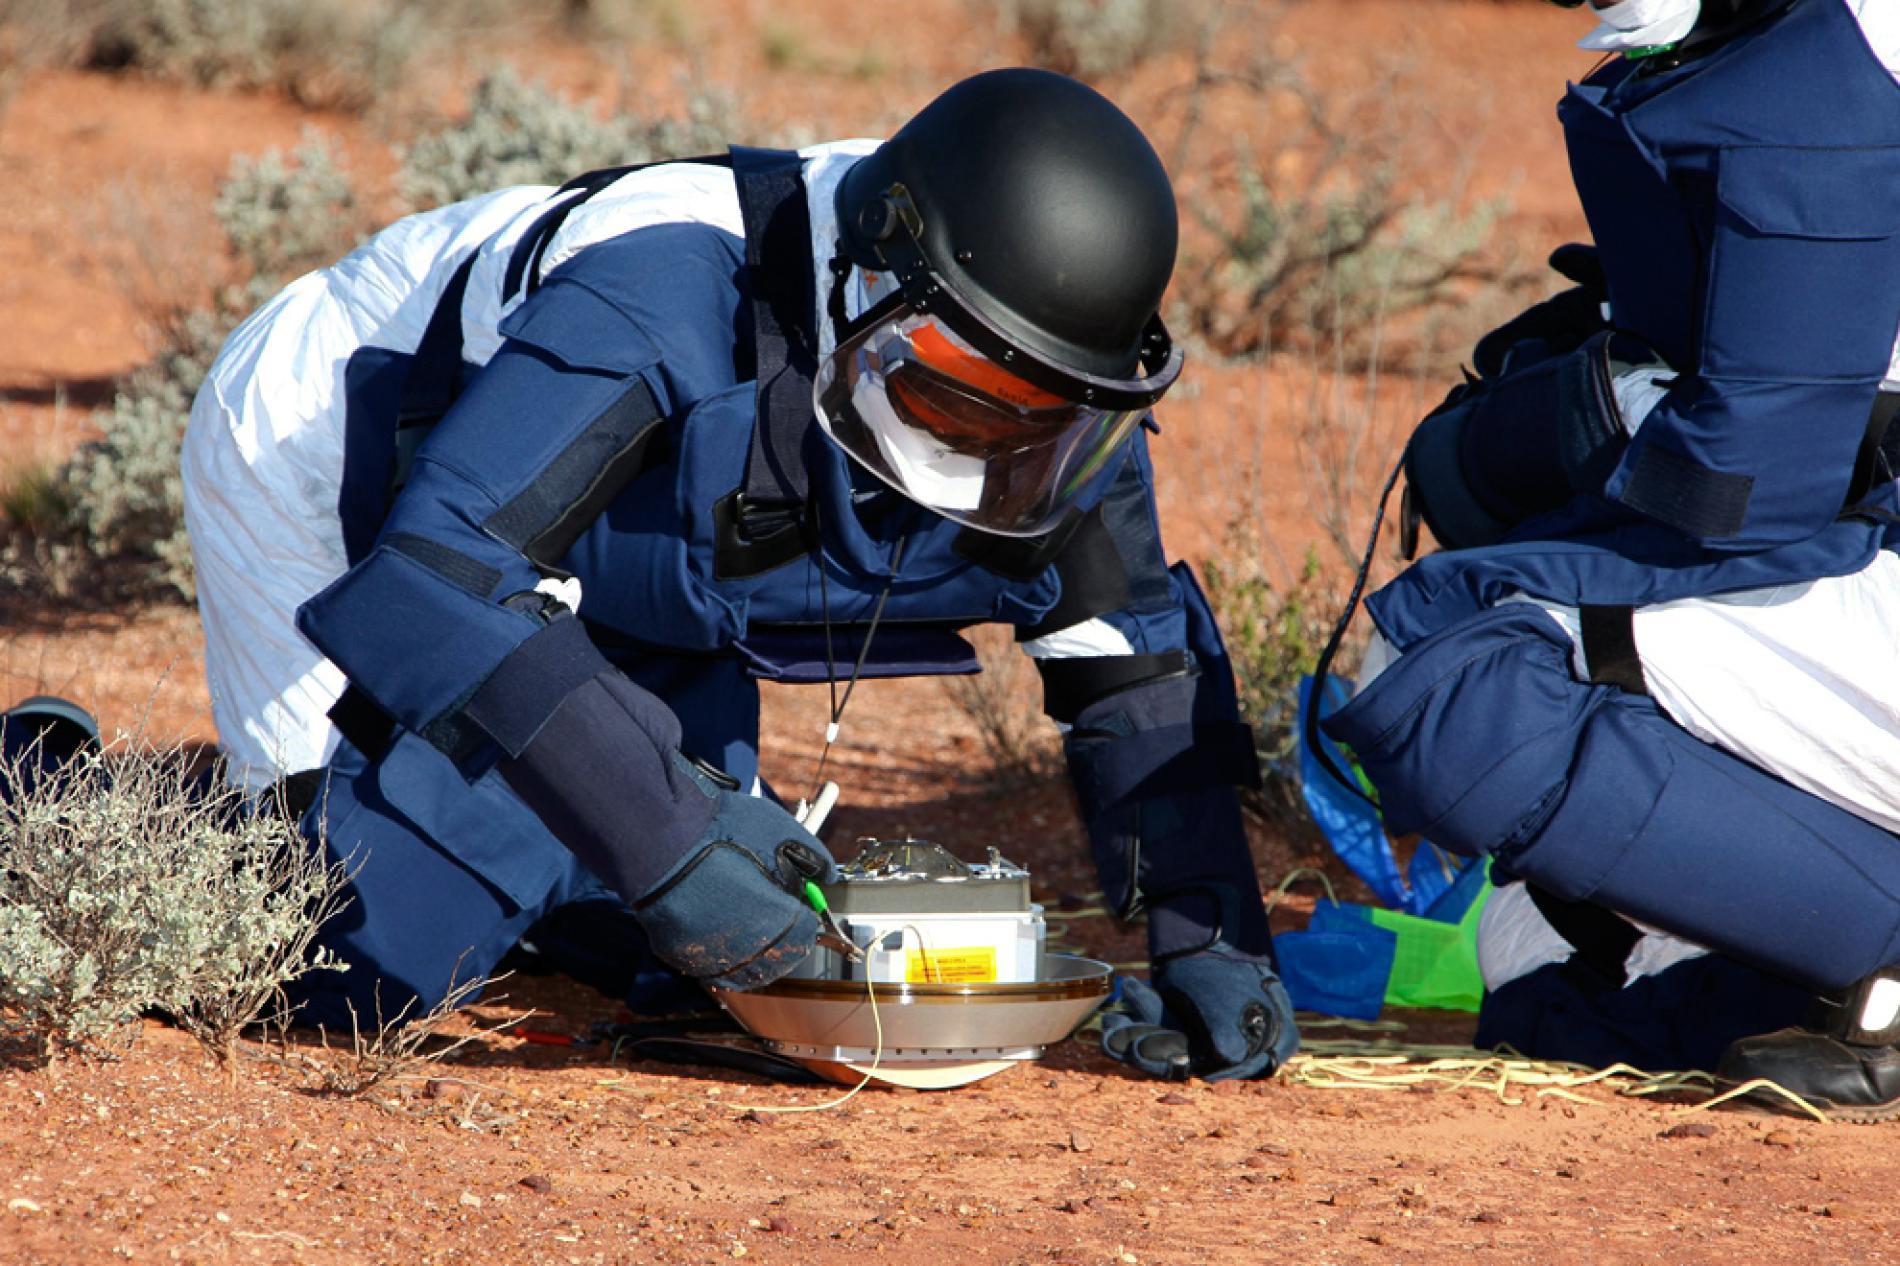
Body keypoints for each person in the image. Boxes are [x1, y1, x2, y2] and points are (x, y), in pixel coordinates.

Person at [182, 69, 1298, 1082]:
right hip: (348, 449)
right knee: (334, 961)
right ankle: (58, 787)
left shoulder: (1052, 368)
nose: (990, 434)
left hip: (628, 543)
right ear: (874, 269)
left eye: (1035, 407)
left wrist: (1212, 935)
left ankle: (537, 857)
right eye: (960, 381)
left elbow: (1129, 657)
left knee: (685, 938)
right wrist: (672, 846)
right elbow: (436, 573)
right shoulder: (661, 280)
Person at [1325, 0, 1900, 1116]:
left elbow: (1752, 476)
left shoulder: (1848, 52)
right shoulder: (1810, 41)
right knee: (1546, 956)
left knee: (1443, 680)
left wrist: (1550, 434)